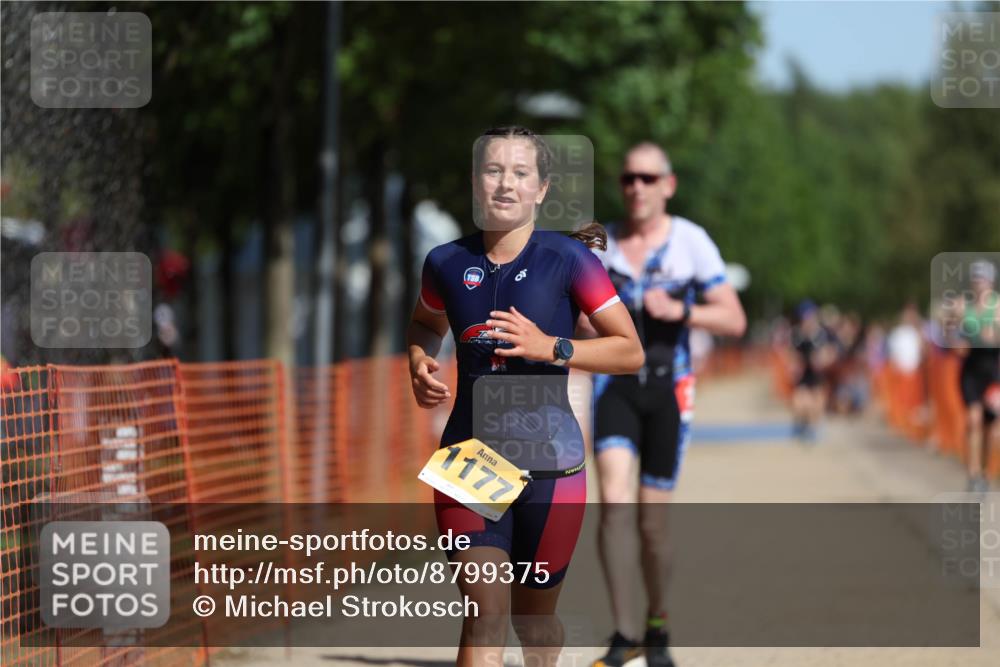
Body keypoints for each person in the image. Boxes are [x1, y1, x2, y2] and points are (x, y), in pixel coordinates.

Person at [407, 126, 644, 667]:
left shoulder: (569, 260)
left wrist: (551, 346)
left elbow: (629, 352)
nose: (506, 184)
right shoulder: (444, 262)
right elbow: (424, 324)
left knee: (533, 626)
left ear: (541, 189)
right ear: (475, 183)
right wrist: (419, 362)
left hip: (551, 468)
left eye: (520, 173)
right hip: (468, 456)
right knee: (484, 612)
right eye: (494, 171)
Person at [584, 142, 746, 667]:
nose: (637, 187)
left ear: (668, 185)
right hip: (615, 385)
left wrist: (681, 309)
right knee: (612, 501)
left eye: (648, 178)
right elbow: (574, 314)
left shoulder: (691, 242)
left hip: (669, 387)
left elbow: (734, 318)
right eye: (629, 177)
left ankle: (657, 621)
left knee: (652, 526)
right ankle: (623, 629)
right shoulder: (600, 242)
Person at [952, 260, 1000, 492]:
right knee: (973, 420)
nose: (979, 283)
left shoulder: (998, 306)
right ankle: (973, 474)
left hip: (993, 372)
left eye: (983, 278)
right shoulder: (962, 305)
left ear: (990, 281)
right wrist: (956, 341)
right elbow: (951, 335)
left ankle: (985, 471)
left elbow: (993, 339)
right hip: (971, 370)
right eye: (976, 278)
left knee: (991, 428)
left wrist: (978, 334)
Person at [790, 300, 835, 441]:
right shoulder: (797, 335)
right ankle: (803, 423)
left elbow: (831, 351)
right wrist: (794, 365)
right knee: (800, 403)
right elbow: (791, 353)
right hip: (803, 374)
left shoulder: (822, 334)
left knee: (816, 403)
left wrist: (823, 359)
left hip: (818, 374)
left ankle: (812, 427)